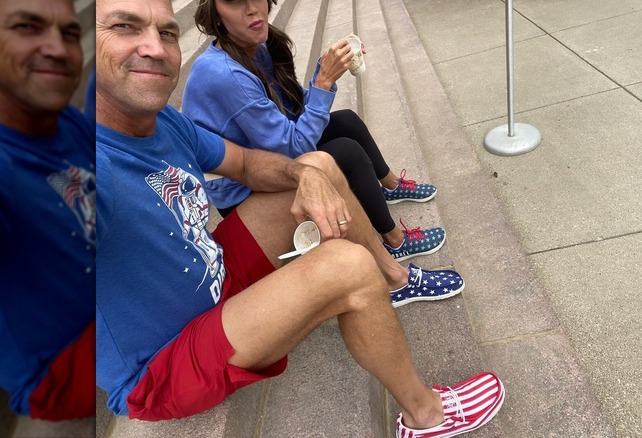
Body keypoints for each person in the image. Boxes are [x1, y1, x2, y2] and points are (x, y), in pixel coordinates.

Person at [95, 0, 504, 435]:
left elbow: (246, 162)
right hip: (162, 366)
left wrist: (303, 175)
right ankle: (426, 416)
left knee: (320, 165)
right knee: (347, 267)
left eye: (167, 32)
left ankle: (394, 278)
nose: (155, 48)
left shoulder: (164, 121)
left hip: (214, 272)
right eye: (124, 27)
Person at [181, 0, 444, 262]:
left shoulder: (255, 46)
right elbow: (294, 148)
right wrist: (323, 82)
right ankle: (395, 243)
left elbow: (294, 108)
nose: (252, 8)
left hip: (266, 153)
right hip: (242, 190)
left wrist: (327, 68)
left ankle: (391, 186)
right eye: (234, 1)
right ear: (214, 12)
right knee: (347, 153)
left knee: (346, 121)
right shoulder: (224, 74)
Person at [0, 0, 95, 421]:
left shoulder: (62, 119)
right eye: (27, 27)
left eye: (70, 33)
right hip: (59, 370)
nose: (58, 48)